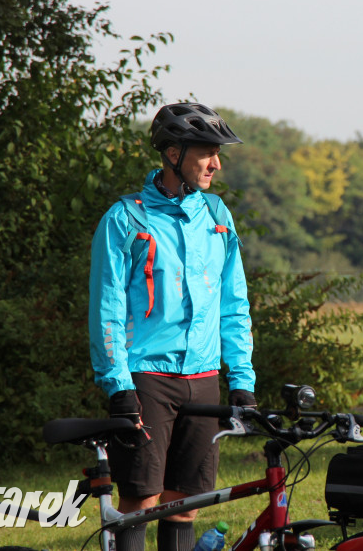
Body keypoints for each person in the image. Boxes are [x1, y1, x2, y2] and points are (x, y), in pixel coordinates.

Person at [89, 102, 256, 551]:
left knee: (186, 503)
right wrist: (118, 385)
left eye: (218, 153)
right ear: (173, 154)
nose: (216, 164)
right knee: (141, 500)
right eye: (207, 152)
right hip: (147, 378)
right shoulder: (126, 218)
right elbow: (107, 308)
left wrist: (242, 380)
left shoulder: (217, 216)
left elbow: (234, 303)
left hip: (204, 378)